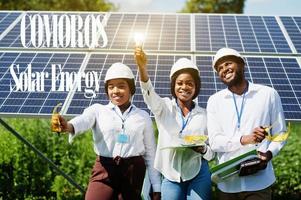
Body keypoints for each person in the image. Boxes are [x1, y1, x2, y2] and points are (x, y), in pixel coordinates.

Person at [51, 63, 161, 200]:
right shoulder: (98, 110)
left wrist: (157, 187)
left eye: (121, 86)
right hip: (104, 169)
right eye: (111, 87)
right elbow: (83, 120)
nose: (115, 91)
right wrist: (68, 126)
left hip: (133, 172)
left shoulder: (143, 117)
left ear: (131, 89)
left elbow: (151, 154)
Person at [207, 47, 287, 200]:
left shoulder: (268, 94)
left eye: (228, 63)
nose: (224, 69)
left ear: (242, 64)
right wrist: (244, 139)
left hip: (259, 182)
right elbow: (215, 142)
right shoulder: (214, 101)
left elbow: (281, 133)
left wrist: (268, 154)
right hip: (227, 183)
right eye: (220, 68)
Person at [135, 47, 214, 200]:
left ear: (196, 86)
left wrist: (203, 149)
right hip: (170, 174)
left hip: (198, 172)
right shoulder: (164, 107)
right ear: (174, 86)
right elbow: (148, 92)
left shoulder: (204, 115)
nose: (184, 87)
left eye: (190, 83)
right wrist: (142, 67)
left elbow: (211, 153)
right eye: (180, 83)